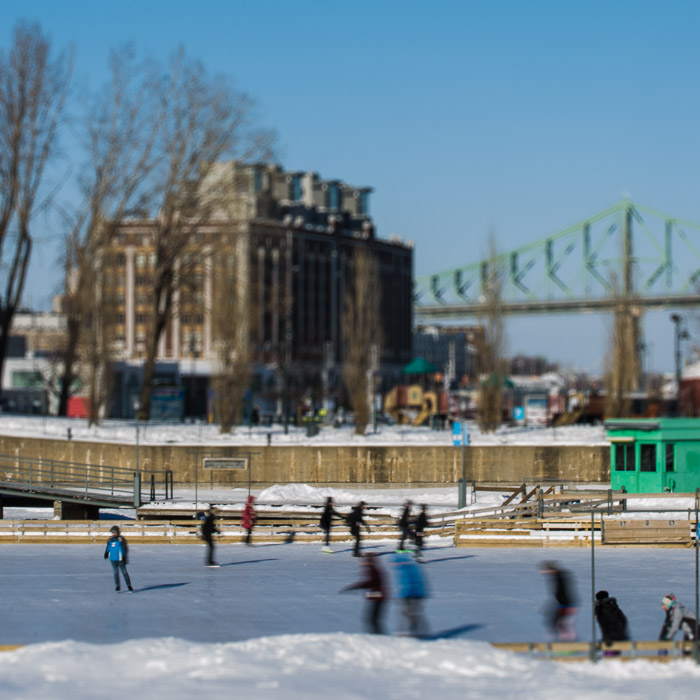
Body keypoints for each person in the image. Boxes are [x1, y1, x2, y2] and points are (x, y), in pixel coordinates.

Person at [340, 553, 389, 634]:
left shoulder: (372, 569)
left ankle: (380, 638)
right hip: (378, 597)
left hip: (379, 597)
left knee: (372, 620)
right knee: (373, 620)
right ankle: (378, 636)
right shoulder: (373, 569)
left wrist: (354, 587)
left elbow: (370, 583)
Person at [392, 549, 428, 636]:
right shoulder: (407, 568)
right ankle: (416, 632)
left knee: (410, 614)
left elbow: (410, 583)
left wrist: (405, 595)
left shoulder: (407, 569)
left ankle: (414, 632)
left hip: (413, 595)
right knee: (410, 614)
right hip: (413, 594)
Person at [539, 561, 577, 641]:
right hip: (564, 604)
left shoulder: (559, 577)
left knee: (561, 624)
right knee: (558, 623)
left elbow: (561, 592)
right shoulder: (558, 576)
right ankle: (565, 641)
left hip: (566, 605)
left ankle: (568, 643)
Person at [104, 525, 133, 592]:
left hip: (120, 559)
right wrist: (106, 553)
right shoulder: (110, 539)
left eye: (115, 532)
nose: (114, 533)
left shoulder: (121, 539)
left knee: (124, 572)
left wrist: (125, 557)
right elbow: (108, 547)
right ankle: (117, 585)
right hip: (113, 559)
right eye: (113, 532)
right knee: (115, 573)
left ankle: (129, 585)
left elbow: (125, 548)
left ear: (118, 532)